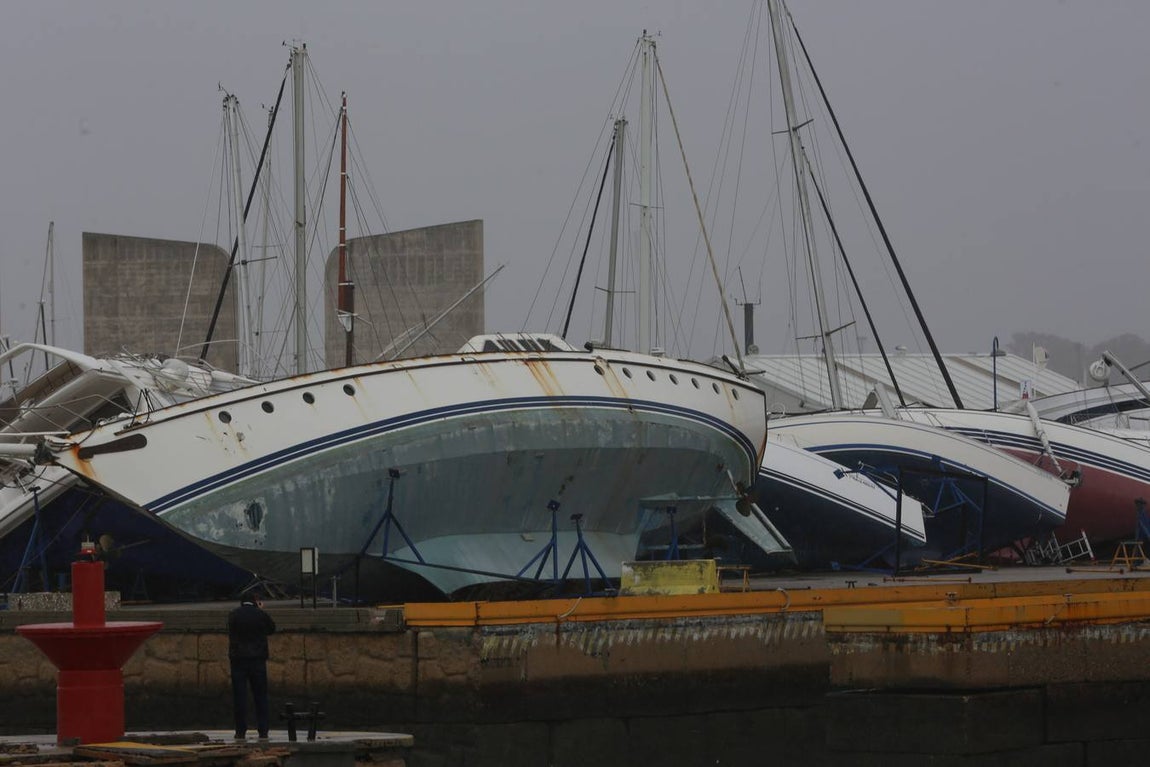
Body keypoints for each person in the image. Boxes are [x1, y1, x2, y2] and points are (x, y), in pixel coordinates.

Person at [228, 592, 276, 741]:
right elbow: (272, 629)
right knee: (260, 696)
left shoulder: (234, 615)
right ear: (255, 601)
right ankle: (263, 731)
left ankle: (240, 731)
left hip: (238, 660)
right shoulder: (260, 614)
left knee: (239, 697)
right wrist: (260, 610)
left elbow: (231, 631)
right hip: (257, 660)